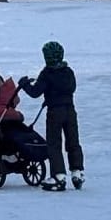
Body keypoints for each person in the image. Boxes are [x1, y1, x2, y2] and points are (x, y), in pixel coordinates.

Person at [19, 41, 83, 192]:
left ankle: (58, 176)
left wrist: (24, 84)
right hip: (70, 110)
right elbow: (72, 88)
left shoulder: (47, 74)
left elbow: (35, 92)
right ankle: (77, 173)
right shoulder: (68, 72)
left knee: (54, 144)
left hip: (55, 112)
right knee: (73, 141)